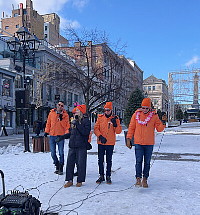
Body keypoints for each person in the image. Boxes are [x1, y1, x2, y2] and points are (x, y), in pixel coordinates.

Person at [126, 98, 167, 188]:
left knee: (147, 162)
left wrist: (163, 122)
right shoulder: (136, 115)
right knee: (138, 161)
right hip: (138, 142)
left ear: (149, 108)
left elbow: (159, 129)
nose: (144, 110)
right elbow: (131, 127)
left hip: (149, 143)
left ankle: (145, 179)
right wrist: (128, 138)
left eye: (146, 108)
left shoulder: (154, 116)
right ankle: (138, 178)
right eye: (143, 108)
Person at [63, 104, 91, 188]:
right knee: (70, 163)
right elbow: (72, 132)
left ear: (82, 112)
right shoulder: (73, 120)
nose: (76, 112)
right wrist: (63, 136)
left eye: (78, 110)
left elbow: (85, 132)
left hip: (81, 145)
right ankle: (69, 180)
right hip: (72, 145)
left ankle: (80, 180)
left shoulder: (86, 121)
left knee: (81, 163)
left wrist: (77, 124)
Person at [94, 102, 122, 184]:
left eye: (108, 110)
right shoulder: (100, 118)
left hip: (110, 142)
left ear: (111, 110)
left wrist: (115, 124)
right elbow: (96, 129)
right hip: (101, 142)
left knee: (108, 160)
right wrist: (100, 136)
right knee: (100, 160)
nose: (107, 112)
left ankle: (108, 175)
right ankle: (101, 175)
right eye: (105, 110)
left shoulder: (115, 119)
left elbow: (118, 131)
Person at [44, 101, 70, 175]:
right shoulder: (51, 113)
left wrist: (61, 119)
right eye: (59, 105)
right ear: (56, 105)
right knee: (52, 153)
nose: (60, 106)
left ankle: (61, 167)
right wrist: (46, 131)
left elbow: (66, 126)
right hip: (52, 135)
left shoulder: (65, 115)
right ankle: (57, 164)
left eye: (62, 105)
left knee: (61, 153)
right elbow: (48, 123)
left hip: (60, 136)